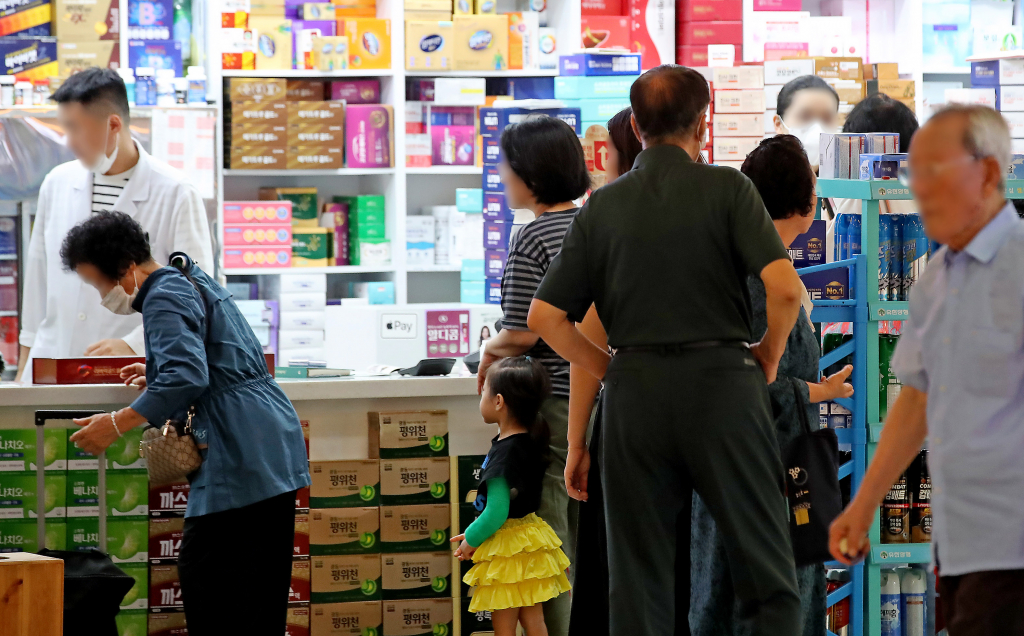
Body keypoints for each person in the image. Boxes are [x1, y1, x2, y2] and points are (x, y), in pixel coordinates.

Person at [528, 64, 805, 635]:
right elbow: (783, 288)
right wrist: (769, 356)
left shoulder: (602, 207)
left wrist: (611, 368)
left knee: (638, 578)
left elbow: (545, 318)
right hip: (725, 387)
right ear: (703, 124)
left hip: (635, 398)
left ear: (635, 125)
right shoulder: (730, 188)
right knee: (765, 565)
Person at [61, 212, 310, 636]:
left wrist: (116, 424)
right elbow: (210, 360)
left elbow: (187, 377)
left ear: (124, 267)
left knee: (213, 588)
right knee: (256, 594)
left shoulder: (162, 295)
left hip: (240, 454)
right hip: (266, 445)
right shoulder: (186, 275)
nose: (102, 295)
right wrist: (156, 369)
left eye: (98, 283)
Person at [830, 105, 1024, 634]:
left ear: (986, 173)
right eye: (914, 172)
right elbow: (915, 396)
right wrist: (864, 503)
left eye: (934, 171)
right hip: (958, 542)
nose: (918, 187)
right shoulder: (936, 277)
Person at [689, 135, 854, 636]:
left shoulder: (734, 262)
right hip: (768, 471)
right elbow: (747, 384)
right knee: (769, 598)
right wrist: (818, 392)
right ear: (805, 200)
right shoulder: (765, 277)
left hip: (732, 466)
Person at [17, 67, 213, 382]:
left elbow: (197, 292)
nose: (69, 142)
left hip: (128, 372)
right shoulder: (57, 183)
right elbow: (38, 283)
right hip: (53, 362)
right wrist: (24, 371)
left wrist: (131, 344)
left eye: (75, 129)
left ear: (113, 125)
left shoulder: (175, 191)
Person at [475, 115, 590, 636]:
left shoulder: (533, 237)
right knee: (583, 534)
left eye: (506, 165)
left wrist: (486, 351)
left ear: (532, 175)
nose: (501, 175)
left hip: (551, 401)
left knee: (546, 537)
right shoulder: (589, 226)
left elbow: (521, 333)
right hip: (597, 396)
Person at [565, 106, 644, 636]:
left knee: (616, 567)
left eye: (610, 151)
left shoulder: (608, 216)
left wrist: (576, 444)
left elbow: (570, 330)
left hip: (628, 421)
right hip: (706, 419)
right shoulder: (719, 203)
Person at [453, 356, 572, 636]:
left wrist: (472, 537)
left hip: (508, 549)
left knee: (503, 626)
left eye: (484, 392)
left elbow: (496, 511)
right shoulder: (528, 441)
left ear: (498, 402)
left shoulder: (504, 454)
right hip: (530, 541)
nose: (480, 398)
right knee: (534, 621)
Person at [773, 75, 840, 170]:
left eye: (827, 119)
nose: (817, 129)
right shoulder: (759, 179)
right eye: (805, 117)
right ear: (778, 124)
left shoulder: (845, 180)